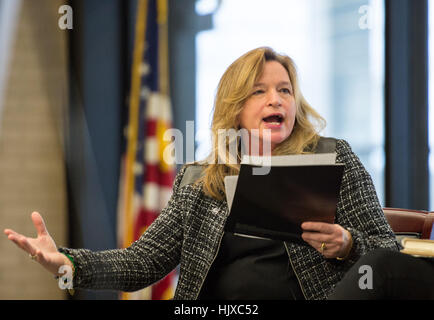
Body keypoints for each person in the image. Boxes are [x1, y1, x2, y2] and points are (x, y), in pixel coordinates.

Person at [4, 47, 400, 300]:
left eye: (285, 90)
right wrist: (69, 264)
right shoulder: (200, 179)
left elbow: (388, 253)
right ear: (235, 108)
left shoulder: (334, 158)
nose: (276, 99)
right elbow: (142, 262)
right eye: (259, 91)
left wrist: (348, 245)